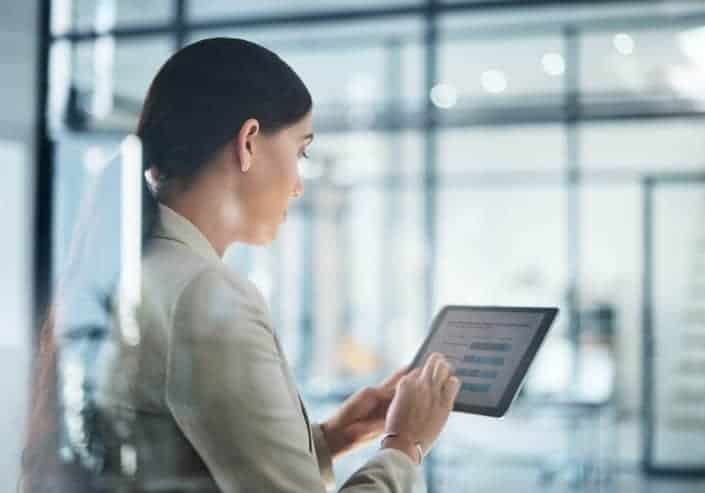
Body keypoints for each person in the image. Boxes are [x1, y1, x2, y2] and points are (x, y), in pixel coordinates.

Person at [84, 37, 461, 492]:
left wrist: (335, 437)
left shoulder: (147, 270)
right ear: (248, 143)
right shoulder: (205, 295)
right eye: (301, 152)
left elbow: (181, 463)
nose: (299, 185)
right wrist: (405, 447)